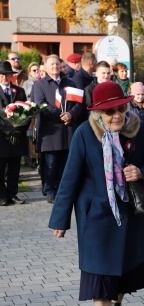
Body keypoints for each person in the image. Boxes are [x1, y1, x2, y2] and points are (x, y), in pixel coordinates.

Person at [48, 81, 144, 306]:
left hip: (129, 215)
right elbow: (70, 177)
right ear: (98, 113)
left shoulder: (140, 131)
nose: (117, 117)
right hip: (95, 215)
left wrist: (141, 171)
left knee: (123, 273)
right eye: (110, 112)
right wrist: (60, 219)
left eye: (120, 110)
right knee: (99, 273)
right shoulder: (84, 134)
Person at [32, 54, 82, 203]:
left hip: (67, 130)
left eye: (57, 64)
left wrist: (71, 114)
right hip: (50, 131)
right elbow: (41, 105)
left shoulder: (70, 83)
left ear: (61, 66)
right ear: (46, 68)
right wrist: (61, 115)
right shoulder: (39, 85)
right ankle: (50, 190)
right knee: (50, 163)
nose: (55, 67)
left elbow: (79, 103)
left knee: (65, 163)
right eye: (51, 65)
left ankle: (62, 189)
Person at [0, 61, 29, 206]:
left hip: (17, 135)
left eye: (8, 74)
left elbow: (26, 112)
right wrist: (7, 129)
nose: (5, 77)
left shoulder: (19, 91)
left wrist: (18, 128)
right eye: (3, 74)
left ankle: (13, 194)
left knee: (14, 167)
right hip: (1, 136)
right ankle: (1, 195)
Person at [22, 62, 40, 169]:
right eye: (34, 70)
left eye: (38, 70)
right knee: (31, 136)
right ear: (29, 72)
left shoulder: (43, 82)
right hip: (31, 113)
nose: (36, 72)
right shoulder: (26, 83)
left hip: (40, 112)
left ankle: (39, 158)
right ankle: (31, 158)